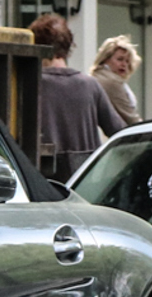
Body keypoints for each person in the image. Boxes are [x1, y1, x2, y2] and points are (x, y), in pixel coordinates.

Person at [31, 12, 123, 180]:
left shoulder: (29, 85)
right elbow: (119, 132)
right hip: (85, 182)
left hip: (42, 182)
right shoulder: (90, 85)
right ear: (68, 46)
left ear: (35, 45)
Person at [90, 35, 143, 125]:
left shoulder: (98, 76)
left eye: (127, 61)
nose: (124, 64)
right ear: (105, 59)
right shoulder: (112, 82)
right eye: (120, 59)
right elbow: (130, 117)